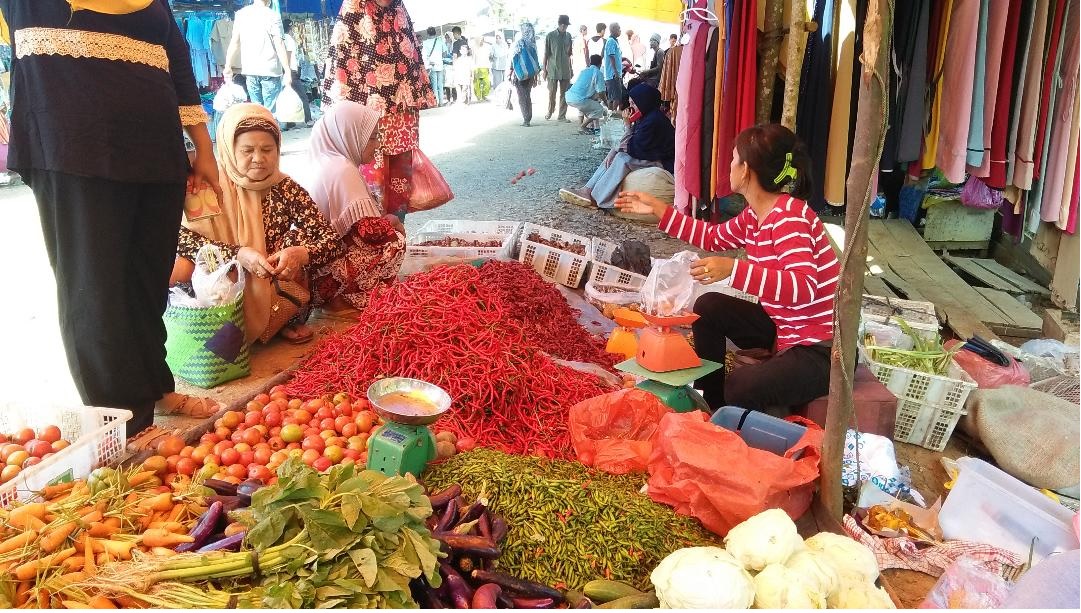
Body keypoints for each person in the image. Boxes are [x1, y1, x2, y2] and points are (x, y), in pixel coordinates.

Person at [0, 0, 225, 443]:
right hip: (73, 149)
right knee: (95, 290)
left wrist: (203, 145)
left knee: (147, 280)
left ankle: (155, 387)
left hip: (156, 150)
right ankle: (122, 424)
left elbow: (176, 61)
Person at [615, 124, 839, 412]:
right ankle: (713, 403)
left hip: (819, 351)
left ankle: (731, 406)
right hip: (783, 329)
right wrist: (660, 209)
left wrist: (733, 269)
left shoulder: (789, 218)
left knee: (740, 385)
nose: (729, 166)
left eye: (733, 160)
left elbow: (803, 288)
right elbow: (712, 237)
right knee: (708, 305)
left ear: (745, 170)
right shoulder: (755, 215)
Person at [177, 104, 342, 346]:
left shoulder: (285, 188)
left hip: (268, 284)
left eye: (267, 149)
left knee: (297, 245)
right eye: (247, 150)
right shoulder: (206, 185)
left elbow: (331, 240)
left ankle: (277, 322)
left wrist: (300, 254)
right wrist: (238, 254)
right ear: (229, 149)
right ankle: (211, 333)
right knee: (179, 268)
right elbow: (179, 238)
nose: (259, 159)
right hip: (219, 284)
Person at [324, 0, 436, 220]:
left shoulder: (398, 8)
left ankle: (395, 236)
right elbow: (341, 67)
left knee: (398, 183)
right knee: (369, 179)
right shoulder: (354, 8)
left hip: (402, 104)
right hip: (365, 107)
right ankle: (372, 239)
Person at [294, 101, 406, 316]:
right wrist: (394, 221)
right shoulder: (342, 169)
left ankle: (343, 297)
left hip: (313, 271)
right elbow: (370, 233)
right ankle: (341, 302)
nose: (378, 144)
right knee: (395, 242)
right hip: (321, 277)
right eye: (372, 137)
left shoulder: (324, 161)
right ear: (349, 135)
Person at [562, 83, 673, 208]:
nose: (630, 108)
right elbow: (630, 144)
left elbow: (632, 147)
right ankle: (587, 190)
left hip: (663, 162)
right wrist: (613, 151)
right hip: (651, 156)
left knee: (622, 158)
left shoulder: (654, 121)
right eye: (630, 103)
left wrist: (627, 125)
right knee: (614, 156)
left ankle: (596, 198)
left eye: (634, 104)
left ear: (644, 102)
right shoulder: (646, 117)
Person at [224, 0, 291, 111]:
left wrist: (228, 65)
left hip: (250, 70)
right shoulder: (273, 15)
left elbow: (235, 42)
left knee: (257, 111)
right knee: (271, 113)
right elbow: (279, 44)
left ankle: (258, 128)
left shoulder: (241, 14)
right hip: (270, 70)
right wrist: (287, 70)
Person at [281, 18, 312, 128]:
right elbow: (288, 54)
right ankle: (308, 119)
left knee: (289, 95)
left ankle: (290, 122)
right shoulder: (288, 39)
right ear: (290, 27)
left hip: (286, 71)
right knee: (303, 96)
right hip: (291, 71)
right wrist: (288, 70)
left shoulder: (282, 39)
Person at [543, 15, 574, 122]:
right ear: (560, 24)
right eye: (564, 25)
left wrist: (571, 68)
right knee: (552, 92)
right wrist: (544, 70)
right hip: (552, 69)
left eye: (566, 25)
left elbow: (569, 54)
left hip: (565, 69)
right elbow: (546, 54)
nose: (565, 27)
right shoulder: (550, 36)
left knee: (565, 93)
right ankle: (550, 110)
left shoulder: (568, 36)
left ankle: (562, 116)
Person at [510, 22, 540, 127]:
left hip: (520, 75)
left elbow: (513, 60)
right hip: (531, 75)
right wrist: (536, 77)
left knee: (522, 96)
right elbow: (536, 62)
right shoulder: (533, 44)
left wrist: (510, 73)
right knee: (527, 95)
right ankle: (528, 117)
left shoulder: (520, 43)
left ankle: (526, 119)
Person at [565, 54, 606, 133]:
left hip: (569, 96)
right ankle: (582, 126)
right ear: (600, 63)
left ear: (590, 62)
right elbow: (601, 92)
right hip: (579, 99)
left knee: (586, 105)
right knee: (599, 109)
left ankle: (583, 126)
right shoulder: (597, 72)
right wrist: (606, 102)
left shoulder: (584, 71)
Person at [423, 27, 447, 106]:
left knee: (434, 85)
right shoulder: (440, 40)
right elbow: (445, 53)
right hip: (440, 64)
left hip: (431, 65)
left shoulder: (425, 42)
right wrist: (439, 57)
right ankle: (441, 102)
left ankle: (435, 102)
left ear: (427, 34)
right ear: (435, 32)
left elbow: (424, 55)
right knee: (440, 84)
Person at [603, 22, 623, 111]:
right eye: (618, 28)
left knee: (613, 96)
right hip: (612, 74)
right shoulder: (611, 41)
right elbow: (611, 57)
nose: (620, 30)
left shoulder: (614, 41)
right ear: (613, 29)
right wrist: (615, 72)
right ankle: (613, 115)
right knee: (616, 97)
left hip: (613, 74)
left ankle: (611, 114)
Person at [454, 40, 475, 105]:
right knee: (459, 88)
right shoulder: (458, 59)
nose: (463, 51)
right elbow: (456, 69)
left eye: (465, 50)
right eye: (462, 50)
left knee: (465, 89)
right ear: (460, 51)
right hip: (459, 76)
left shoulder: (469, 59)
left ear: (467, 51)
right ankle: (461, 100)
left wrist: (472, 76)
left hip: (466, 76)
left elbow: (472, 68)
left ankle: (463, 100)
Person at [473, 36, 492, 102]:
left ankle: (484, 95)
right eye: (480, 40)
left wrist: (488, 68)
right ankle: (478, 97)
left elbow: (488, 57)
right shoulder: (475, 48)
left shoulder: (487, 47)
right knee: (477, 83)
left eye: (482, 40)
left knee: (486, 83)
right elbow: (474, 59)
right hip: (477, 68)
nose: (481, 41)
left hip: (485, 67)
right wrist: (474, 69)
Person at [443, 32, 457, 104]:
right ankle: (448, 99)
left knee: (454, 83)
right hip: (446, 66)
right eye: (446, 37)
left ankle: (455, 99)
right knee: (447, 83)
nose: (447, 39)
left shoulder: (454, 45)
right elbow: (443, 55)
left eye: (448, 37)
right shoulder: (444, 45)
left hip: (453, 66)